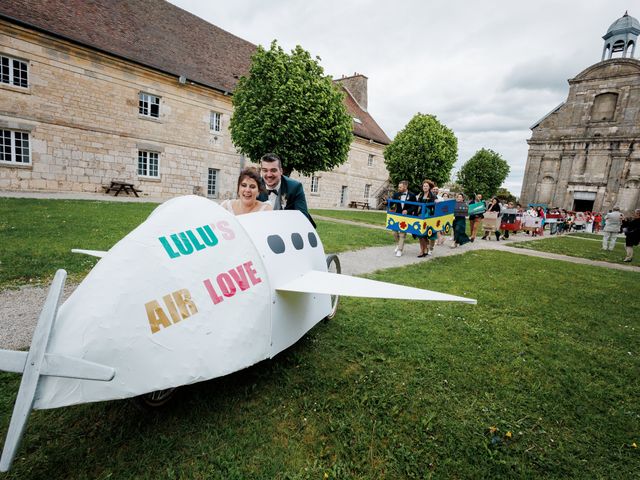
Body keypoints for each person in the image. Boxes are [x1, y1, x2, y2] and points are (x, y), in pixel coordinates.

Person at [256, 153, 316, 227]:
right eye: (265, 170)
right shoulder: (255, 186)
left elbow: (303, 217)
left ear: (281, 171)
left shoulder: (295, 187)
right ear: (261, 172)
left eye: (273, 170)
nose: (269, 175)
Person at [390, 180, 417, 257]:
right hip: (397, 216)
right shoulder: (396, 194)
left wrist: (408, 211)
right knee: (394, 232)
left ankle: (400, 250)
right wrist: (386, 202)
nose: (398, 188)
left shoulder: (412, 195)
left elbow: (414, 206)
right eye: (398, 187)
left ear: (405, 187)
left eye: (400, 187)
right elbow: (392, 203)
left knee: (402, 233)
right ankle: (399, 244)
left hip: (406, 217)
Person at [415, 180, 437, 257]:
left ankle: (426, 249)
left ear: (429, 187)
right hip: (421, 215)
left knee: (425, 234)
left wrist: (436, 201)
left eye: (426, 186)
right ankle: (422, 250)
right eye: (424, 186)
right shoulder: (421, 195)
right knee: (420, 234)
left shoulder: (432, 195)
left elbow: (436, 202)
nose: (425, 187)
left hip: (429, 216)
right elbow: (417, 204)